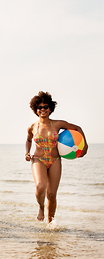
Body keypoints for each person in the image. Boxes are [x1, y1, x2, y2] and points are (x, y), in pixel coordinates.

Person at [25, 91, 87, 224]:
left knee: (52, 194)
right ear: (35, 109)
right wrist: (27, 152)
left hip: (55, 160)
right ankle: (41, 208)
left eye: (45, 107)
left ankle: (50, 223)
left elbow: (77, 128)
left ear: (50, 108)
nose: (43, 110)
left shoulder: (58, 124)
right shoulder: (33, 127)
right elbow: (29, 140)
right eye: (40, 107)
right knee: (40, 186)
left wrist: (85, 145)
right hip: (38, 159)